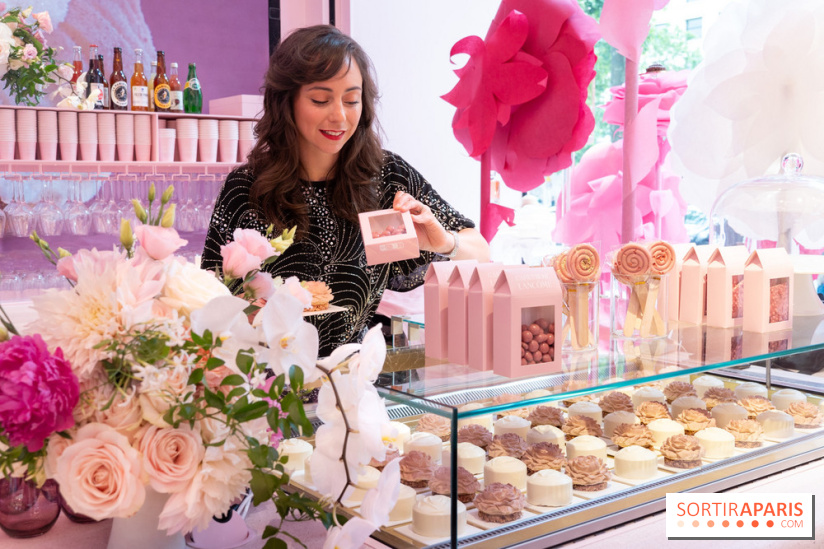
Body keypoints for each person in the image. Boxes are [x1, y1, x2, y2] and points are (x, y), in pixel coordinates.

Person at [201, 25, 490, 356]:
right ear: (287, 101)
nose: (339, 116)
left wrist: (443, 242)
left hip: (350, 387)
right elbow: (211, 300)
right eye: (320, 99)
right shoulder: (248, 189)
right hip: (264, 390)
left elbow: (479, 250)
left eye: (351, 100)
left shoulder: (384, 179)